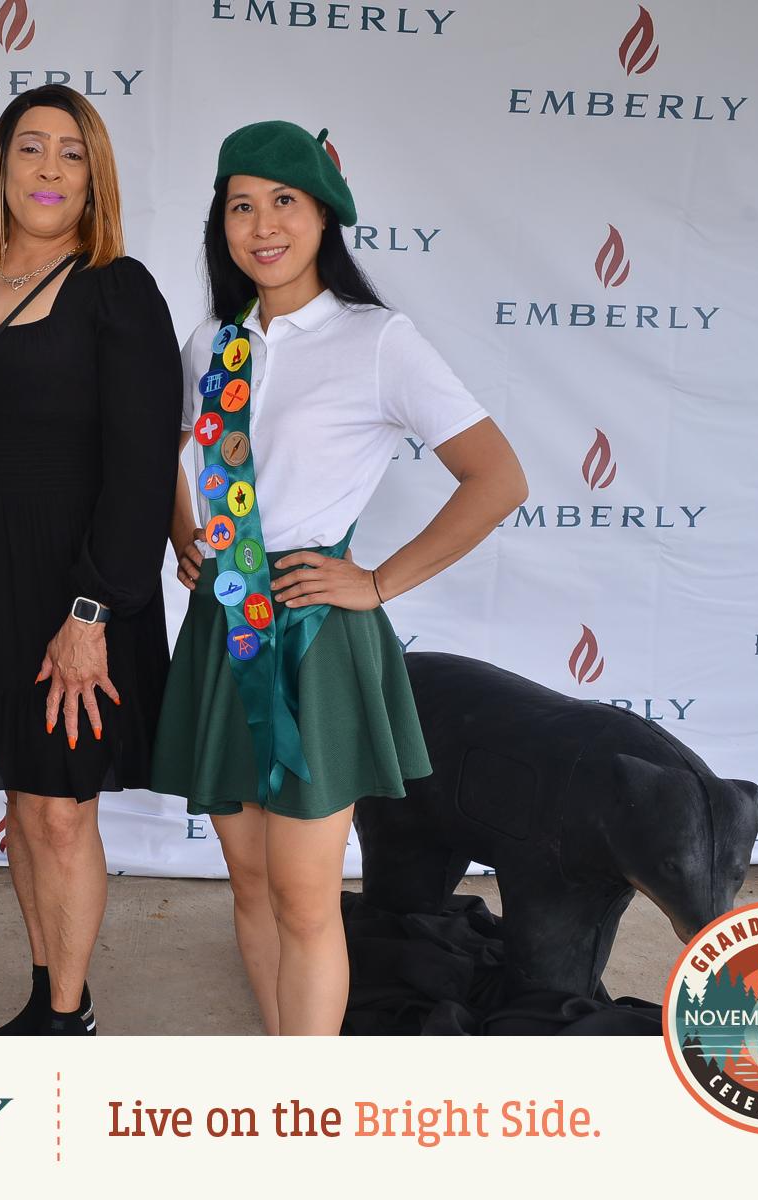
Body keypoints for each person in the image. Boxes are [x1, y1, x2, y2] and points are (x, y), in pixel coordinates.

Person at [152, 121, 528, 1036]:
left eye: (284, 201)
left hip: (314, 639)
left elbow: (499, 478)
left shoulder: (376, 339)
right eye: (241, 204)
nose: (262, 223)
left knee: (307, 897)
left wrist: (379, 581)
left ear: (325, 217)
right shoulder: (214, 344)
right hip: (221, 627)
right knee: (247, 883)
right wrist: (183, 532)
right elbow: (181, 458)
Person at [0, 85, 182, 1035]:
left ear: (95, 175)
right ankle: (42, 989)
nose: (51, 169)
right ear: (2, 165)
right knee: (24, 804)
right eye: (32, 148)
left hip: (76, 591)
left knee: (62, 812)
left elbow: (144, 467)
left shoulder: (118, 290)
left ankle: (69, 1018)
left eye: (73, 152)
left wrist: (94, 611)